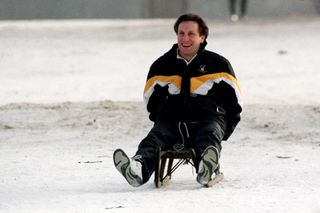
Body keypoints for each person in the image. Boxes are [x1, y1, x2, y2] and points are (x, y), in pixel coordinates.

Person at [113, 13, 242, 187]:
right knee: (154, 139)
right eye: (181, 33)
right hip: (172, 122)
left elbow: (234, 103)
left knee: (209, 135)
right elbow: (151, 101)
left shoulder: (219, 65)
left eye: (191, 34)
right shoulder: (162, 65)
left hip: (208, 120)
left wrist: (224, 130)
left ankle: (206, 166)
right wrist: (161, 120)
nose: (185, 38)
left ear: (202, 37)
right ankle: (137, 169)